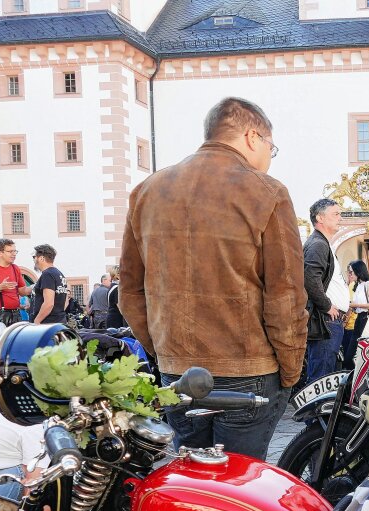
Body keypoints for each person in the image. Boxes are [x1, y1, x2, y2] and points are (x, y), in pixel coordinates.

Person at [120, 96, 307, 460]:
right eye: (272, 146)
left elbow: (129, 292)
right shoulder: (266, 191)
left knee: (194, 481)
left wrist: (163, 352)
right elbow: (285, 295)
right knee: (239, 487)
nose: (270, 155)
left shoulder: (147, 192)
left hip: (178, 371)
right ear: (254, 136)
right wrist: (290, 369)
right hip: (247, 367)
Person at [304, 198, 345, 382]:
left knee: (325, 372)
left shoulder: (322, 243)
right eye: (335, 214)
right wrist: (327, 306)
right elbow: (310, 278)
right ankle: (316, 411)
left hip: (329, 320)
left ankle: (320, 410)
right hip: (325, 320)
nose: (340, 218)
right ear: (320, 218)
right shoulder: (318, 244)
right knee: (321, 376)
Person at [341, 260, 369, 369]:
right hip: (358, 320)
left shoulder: (368, 284)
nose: (349, 274)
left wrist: (356, 304)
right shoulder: (358, 285)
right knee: (350, 354)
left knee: (363, 353)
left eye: (351, 272)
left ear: (358, 271)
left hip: (365, 320)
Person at [29, 244, 69, 325]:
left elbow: (49, 303)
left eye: (34, 257)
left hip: (47, 324)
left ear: (41, 258)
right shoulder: (59, 274)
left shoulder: (47, 274)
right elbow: (65, 302)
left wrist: (37, 321)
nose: (34, 260)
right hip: (58, 321)